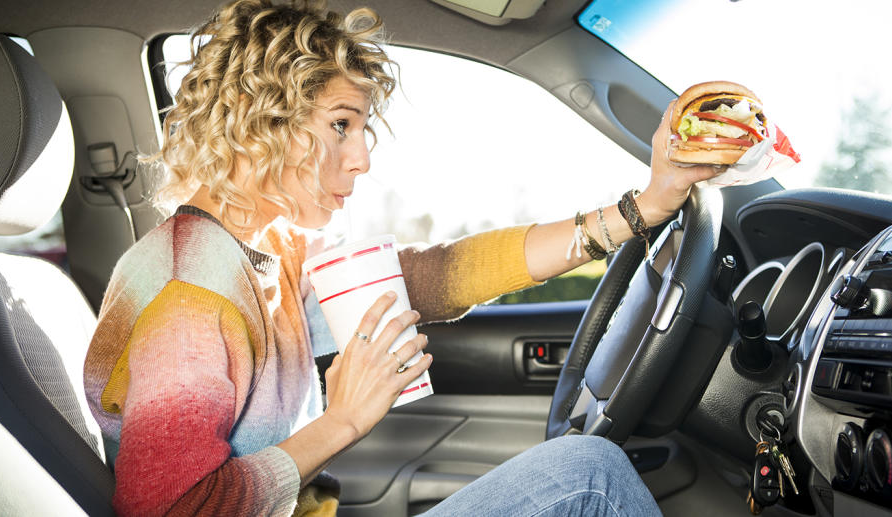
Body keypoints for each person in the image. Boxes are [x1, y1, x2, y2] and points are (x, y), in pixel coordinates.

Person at [83, 1, 720, 515]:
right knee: (592, 475)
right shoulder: (189, 296)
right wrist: (343, 421)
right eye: (340, 125)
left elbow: (438, 276)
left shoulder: (269, 248)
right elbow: (167, 510)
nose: (361, 157)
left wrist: (642, 209)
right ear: (260, 123)